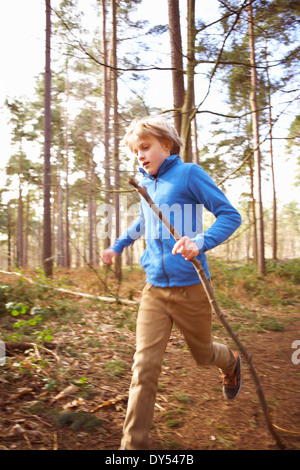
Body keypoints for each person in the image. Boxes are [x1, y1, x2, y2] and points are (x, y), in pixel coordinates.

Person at [102, 116, 242, 450]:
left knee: (202, 354)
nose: (140, 155)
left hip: (191, 285)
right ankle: (132, 449)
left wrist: (200, 242)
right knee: (144, 367)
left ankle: (230, 362)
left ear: (167, 144)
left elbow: (230, 215)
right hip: (154, 289)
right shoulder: (144, 183)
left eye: (146, 147)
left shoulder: (189, 174)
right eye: (136, 150)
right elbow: (142, 221)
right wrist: (117, 245)